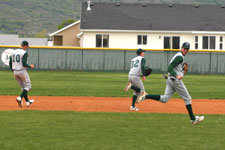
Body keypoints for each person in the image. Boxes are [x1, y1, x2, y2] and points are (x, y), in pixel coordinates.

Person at [136, 42, 204, 125]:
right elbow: (170, 67)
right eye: (184, 48)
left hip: (170, 79)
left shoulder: (178, 55)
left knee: (165, 99)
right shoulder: (180, 57)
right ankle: (193, 119)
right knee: (187, 98)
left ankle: (146, 96)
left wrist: (179, 73)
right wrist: (176, 75)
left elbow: (174, 67)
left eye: (187, 49)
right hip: (175, 80)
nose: (186, 50)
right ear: (181, 48)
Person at [9, 41, 35, 107]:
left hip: (15, 71)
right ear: (25, 46)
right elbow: (24, 63)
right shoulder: (24, 52)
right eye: (27, 46)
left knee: (23, 87)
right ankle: (19, 98)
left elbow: (10, 62)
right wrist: (30, 66)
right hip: (22, 71)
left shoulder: (14, 52)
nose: (27, 48)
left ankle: (27, 102)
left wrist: (13, 70)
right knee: (28, 86)